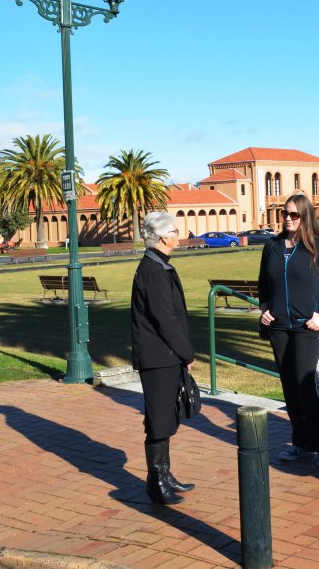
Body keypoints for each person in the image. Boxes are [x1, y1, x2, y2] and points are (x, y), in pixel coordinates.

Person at [258, 193, 319, 468]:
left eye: (294, 214)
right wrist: (264, 309)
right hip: (279, 328)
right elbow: (263, 285)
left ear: (306, 216)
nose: (287, 218)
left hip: (310, 326)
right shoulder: (271, 247)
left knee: (307, 383)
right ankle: (301, 443)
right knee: (290, 386)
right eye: (285, 213)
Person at [131, 212, 196, 506]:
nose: (178, 235)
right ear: (162, 237)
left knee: (165, 415)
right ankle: (155, 481)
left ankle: (165, 474)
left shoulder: (159, 265)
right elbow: (165, 319)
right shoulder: (153, 270)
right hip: (158, 357)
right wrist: (187, 353)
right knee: (158, 418)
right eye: (174, 230)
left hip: (165, 356)